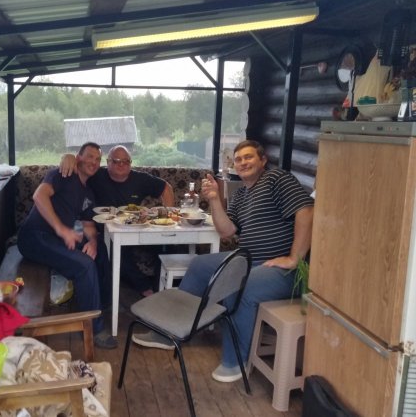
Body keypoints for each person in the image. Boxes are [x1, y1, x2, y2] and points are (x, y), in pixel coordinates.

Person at [132, 140, 314, 383]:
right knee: (199, 266)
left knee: (239, 286)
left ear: (263, 160)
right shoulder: (240, 194)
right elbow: (226, 231)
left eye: (249, 157)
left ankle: (235, 360)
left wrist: (294, 258)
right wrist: (215, 200)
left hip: (281, 270)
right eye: (238, 159)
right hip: (248, 260)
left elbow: (306, 210)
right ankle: (170, 333)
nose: (243, 162)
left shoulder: (277, 179)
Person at [16, 142, 117, 349]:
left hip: (58, 239)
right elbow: (39, 196)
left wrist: (93, 242)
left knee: (100, 250)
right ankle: (95, 329)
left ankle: (103, 305)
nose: (93, 162)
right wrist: (61, 229)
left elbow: (88, 226)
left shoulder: (88, 193)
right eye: (89, 156)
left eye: (97, 159)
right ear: (78, 158)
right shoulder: (62, 174)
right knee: (84, 266)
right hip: (35, 236)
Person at [59, 145, 175, 296]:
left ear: (130, 163)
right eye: (116, 161)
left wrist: (168, 215)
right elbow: (79, 166)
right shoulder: (96, 175)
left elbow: (166, 188)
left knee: (168, 243)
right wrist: (67, 157)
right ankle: (144, 287)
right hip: (105, 230)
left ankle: (164, 289)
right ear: (108, 162)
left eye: (125, 161)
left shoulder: (140, 179)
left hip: (136, 227)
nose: (121, 165)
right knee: (115, 251)